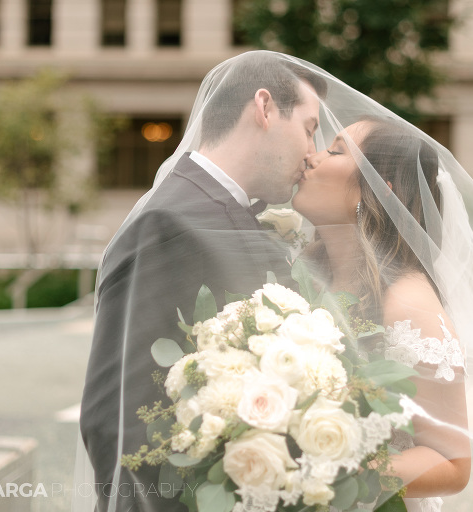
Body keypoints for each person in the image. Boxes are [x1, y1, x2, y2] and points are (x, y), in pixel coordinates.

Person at [76, 52, 327, 512]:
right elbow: (118, 420)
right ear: (265, 108)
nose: (312, 153)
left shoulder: (234, 216)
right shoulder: (168, 223)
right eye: (310, 128)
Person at [291, 115, 473, 510]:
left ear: (375, 190)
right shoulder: (302, 275)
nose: (311, 157)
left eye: (335, 150)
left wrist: (319, 477)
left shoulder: (408, 304)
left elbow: (450, 463)